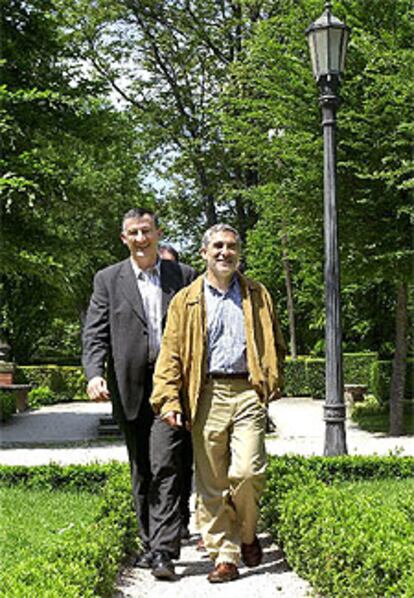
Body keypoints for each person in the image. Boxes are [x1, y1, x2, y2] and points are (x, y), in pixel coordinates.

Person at [150, 223, 286, 583]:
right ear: (204, 253)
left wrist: (273, 379)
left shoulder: (258, 294)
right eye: (218, 247)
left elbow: (276, 341)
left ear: (238, 253)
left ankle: (246, 534)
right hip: (205, 392)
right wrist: (168, 399)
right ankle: (224, 555)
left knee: (248, 471)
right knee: (211, 483)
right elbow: (171, 355)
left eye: (231, 247)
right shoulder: (186, 300)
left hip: (247, 392)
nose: (225, 252)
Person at [82, 207, 197, 580]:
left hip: (171, 386)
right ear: (123, 238)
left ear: (158, 233)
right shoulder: (107, 280)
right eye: (133, 233)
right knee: (141, 467)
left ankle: (164, 550)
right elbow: (95, 332)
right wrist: (94, 374)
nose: (140, 239)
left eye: (146, 231)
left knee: (166, 462)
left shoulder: (184, 277)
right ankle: (150, 544)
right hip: (128, 385)